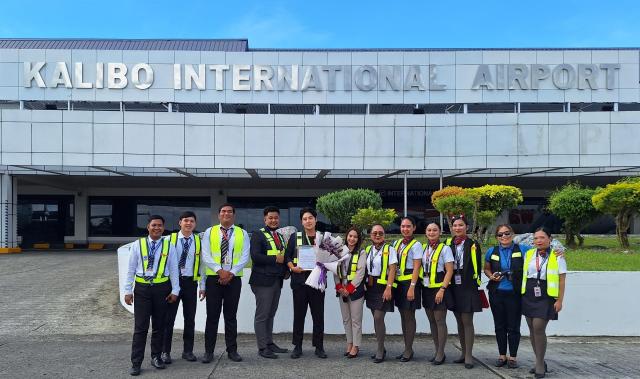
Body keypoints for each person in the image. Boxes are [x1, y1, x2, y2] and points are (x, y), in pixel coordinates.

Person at [124, 215, 180, 376]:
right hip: (142, 289)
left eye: (160, 225)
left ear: (163, 228)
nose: (157, 228)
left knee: (159, 326)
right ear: (148, 227)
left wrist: (175, 290)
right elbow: (131, 269)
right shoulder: (138, 244)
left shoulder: (169, 246)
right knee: (140, 328)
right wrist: (128, 291)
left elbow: (174, 269)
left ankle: (156, 357)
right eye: (154, 225)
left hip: (162, 288)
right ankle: (136, 362)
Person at [201, 203, 250, 363]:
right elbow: (206, 255)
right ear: (218, 215)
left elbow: (245, 256)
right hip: (214, 279)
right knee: (212, 317)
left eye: (229, 211)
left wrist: (231, 273)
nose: (226, 214)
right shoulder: (210, 231)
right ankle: (209, 352)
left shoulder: (242, 233)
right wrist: (219, 270)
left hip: (233, 279)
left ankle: (232, 351)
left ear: (233, 215)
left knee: (231, 317)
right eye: (223, 211)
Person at [522, 227, 567, 378]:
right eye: (536, 238)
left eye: (542, 237)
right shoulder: (528, 253)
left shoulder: (557, 255)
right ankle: (538, 360)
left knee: (538, 327)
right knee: (531, 329)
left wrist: (560, 300)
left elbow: (562, 279)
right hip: (529, 293)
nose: (538, 241)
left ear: (550, 239)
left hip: (546, 295)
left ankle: (540, 364)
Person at [483, 224, 530, 369]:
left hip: (514, 294)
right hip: (496, 293)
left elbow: (541, 252)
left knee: (513, 326)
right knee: (499, 325)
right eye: (500, 234)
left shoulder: (523, 250)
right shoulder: (492, 251)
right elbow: (486, 268)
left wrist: (558, 253)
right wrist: (491, 276)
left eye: (507, 233)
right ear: (497, 237)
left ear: (513, 234)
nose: (504, 237)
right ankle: (502, 355)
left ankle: (513, 357)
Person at [285, 207, 327, 359]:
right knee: (299, 315)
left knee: (318, 316)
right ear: (301, 222)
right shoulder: (295, 237)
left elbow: (331, 257)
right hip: (299, 282)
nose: (308, 221)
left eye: (310, 218)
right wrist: (292, 267)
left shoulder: (323, 237)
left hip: (317, 282)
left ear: (315, 220)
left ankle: (319, 346)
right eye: (305, 219)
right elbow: (287, 257)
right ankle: (297, 346)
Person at [161, 211, 202, 364]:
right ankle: (165, 352)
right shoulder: (169, 239)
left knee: (189, 319)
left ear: (195, 224)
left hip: (190, 283)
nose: (188, 223)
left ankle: (188, 351)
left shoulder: (198, 241)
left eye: (192, 221)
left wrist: (202, 286)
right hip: (172, 284)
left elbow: (202, 265)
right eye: (186, 220)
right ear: (180, 223)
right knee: (168, 319)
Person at [250, 206, 289, 359]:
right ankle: (262, 347)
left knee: (270, 314)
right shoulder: (258, 235)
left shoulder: (280, 236)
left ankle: (269, 343)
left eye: (276, 218)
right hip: (262, 281)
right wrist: (275, 259)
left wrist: (287, 269)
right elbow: (255, 256)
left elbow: (284, 257)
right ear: (265, 219)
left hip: (276, 280)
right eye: (270, 218)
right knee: (262, 315)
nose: (273, 220)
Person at [447, 215, 482, 369]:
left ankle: (469, 355)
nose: (457, 228)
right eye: (455, 226)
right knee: (459, 322)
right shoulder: (448, 244)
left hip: (468, 287)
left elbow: (477, 266)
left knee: (467, 321)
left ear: (466, 227)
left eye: (460, 225)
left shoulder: (473, 244)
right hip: (453, 286)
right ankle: (463, 353)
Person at [419, 222, 455, 365]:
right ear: (426, 232)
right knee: (432, 321)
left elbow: (450, 271)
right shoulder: (423, 248)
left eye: (435, 230)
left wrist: (442, 289)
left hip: (439, 289)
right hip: (426, 289)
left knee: (440, 321)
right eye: (429, 230)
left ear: (439, 232)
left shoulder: (444, 249)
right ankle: (437, 350)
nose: (432, 232)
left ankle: (441, 353)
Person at [364, 224, 398, 363]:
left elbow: (392, 269)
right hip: (371, 287)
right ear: (370, 235)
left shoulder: (390, 249)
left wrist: (389, 288)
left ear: (384, 235)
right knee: (375, 318)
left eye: (380, 233)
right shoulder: (367, 249)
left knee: (378, 317)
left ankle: (380, 350)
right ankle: (381, 347)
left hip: (384, 287)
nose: (378, 235)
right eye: (375, 233)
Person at [393, 216, 423, 362]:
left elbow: (417, 267)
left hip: (410, 284)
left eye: (408, 226)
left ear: (414, 228)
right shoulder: (397, 243)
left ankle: (409, 350)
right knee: (403, 316)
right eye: (403, 226)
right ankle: (406, 348)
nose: (405, 229)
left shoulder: (416, 245)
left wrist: (412, 287)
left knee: (409, 317)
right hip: (399, 284)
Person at [334, 226, 366, 358]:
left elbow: (360, 272)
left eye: (355, 236)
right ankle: (349, 343)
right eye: (350, 236)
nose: (352, 239)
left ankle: (356, 346)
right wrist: (339, 287)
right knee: (346, 319)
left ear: (358, 239)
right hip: (342, 289)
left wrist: (349, 289)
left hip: (355, 290)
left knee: (355, 320)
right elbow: (335, 269)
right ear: (346, 236)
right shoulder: (339, 251)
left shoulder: (361, 252)